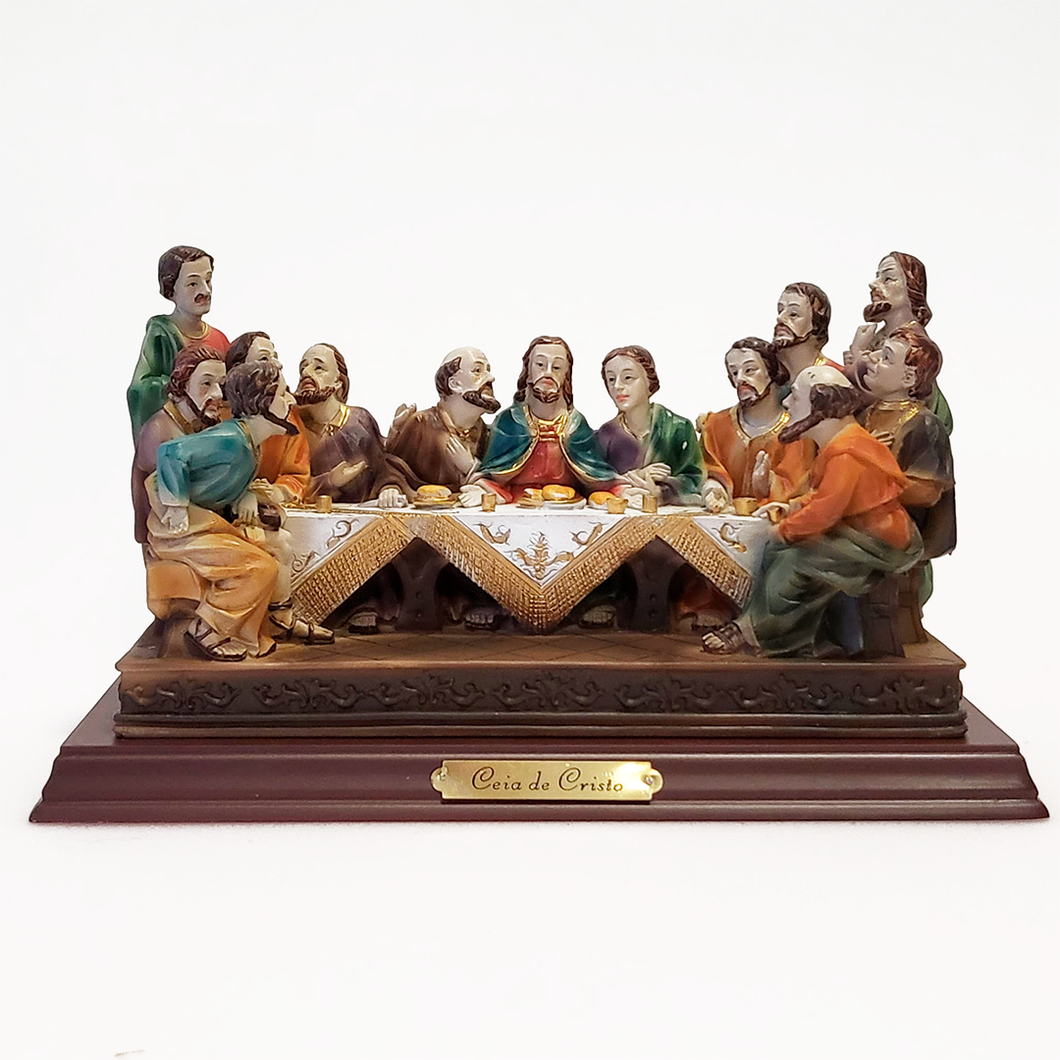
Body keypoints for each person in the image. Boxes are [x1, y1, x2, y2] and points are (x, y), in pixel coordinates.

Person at [703, 365, 922, 657]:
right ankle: (782, 633)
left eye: (795, 397)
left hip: (879, 541)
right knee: (776, 552)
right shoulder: (839, 443)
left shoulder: (847, 453)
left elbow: (825, 512)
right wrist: (792, 506)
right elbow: (826, 497)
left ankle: (760, 635)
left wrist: (783, 530)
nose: (786, 403)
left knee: (792, 563)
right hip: (856, 530)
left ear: (821, 407)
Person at [147, 361, 331, 661]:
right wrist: (177, 507)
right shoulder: (232, 441)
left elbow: (216, 479)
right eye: (282, 393)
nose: (291, 400)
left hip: (205, 520)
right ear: (261, 402)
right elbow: (171, 452)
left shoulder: (250, 443)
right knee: (259, 567)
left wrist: (244, 495)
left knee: (279, 545)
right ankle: (207, 629)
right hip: (179, 528)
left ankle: (276, 620)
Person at [855, 324, 955, 604]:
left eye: (885, 357)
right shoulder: (866, 414)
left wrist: (873, 474)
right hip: (858, 516)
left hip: (897, 530)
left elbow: (927, 492)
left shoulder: (923, 425)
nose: (872, 358)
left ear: (908, 377)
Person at [470, 335, 618, 504]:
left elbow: (598, 475)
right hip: (516, 504)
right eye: (540, 365)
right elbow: (490, 473)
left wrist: (620, 490)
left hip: (567, 505)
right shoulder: (510, 421)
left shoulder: (575, 424)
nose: (548, 372)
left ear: (566, 376)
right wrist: (483, 490)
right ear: (528, 371)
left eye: (557, 367)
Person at [697, 337, 814, 513]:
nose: (740, 379)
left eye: (749, 370)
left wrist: (769, 483)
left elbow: (798, 486)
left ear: (771, 371)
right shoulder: (715, 426)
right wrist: (713, 488)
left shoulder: (796, 431)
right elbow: (705, 469)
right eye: (734, 372)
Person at [295, 342, 419, 507]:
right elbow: (292, 482)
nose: (306, 373)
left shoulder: (358, 421)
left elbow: (381, 466)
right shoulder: (294, 427)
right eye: (302, 368)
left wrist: (389, 488)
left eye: (318, 368)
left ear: (338, 382)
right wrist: (330, 481)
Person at [127, 245, 230, 438]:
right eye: (193, 284)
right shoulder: (162, 335)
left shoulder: (219, 338)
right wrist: (184, 387)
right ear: (171, 289)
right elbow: (140, 390)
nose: (205, 290)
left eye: (208, 280)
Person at [846, 251, 953, 433]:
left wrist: (857, 354)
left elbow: (872, 393)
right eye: (877, 276)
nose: (873, 284)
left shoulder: (912, 342)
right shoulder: (879, 336)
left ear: (910, 288)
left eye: (887, 278)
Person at [132, 346, 227, 545]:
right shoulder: (159, 430)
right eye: (206, 383)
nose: (218, 393)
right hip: (174, 532)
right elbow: (161, 497)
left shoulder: (208, 424)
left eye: (221, 384)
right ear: (182, 384)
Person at [595, 345, 703, 506]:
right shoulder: (606, 434)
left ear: (648, 381)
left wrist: (661, 492)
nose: (617, 386)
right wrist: (635, 477)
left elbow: (696, 479)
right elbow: (593, 479)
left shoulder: (678, 428)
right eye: (611, 379)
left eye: (628, 377)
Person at [386, 347, 499, 492]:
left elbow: (502, 480)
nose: (491, 377)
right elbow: (392, 470)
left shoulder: (490, 435)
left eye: (488, 370)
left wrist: (470, 467)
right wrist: (391, 488)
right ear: (454, 384)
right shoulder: (421, 425)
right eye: (478, 371)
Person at [225, 331, 310, 504]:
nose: (277, 364)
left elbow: (297, 473)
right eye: (264, 358)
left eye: (275, 357)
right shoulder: (221, 417)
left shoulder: (286, 416)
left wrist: (278, 491)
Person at [772, 282, 841, 381]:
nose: (780, 318)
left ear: (816, 323)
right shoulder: (767, 375)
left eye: (793, 314)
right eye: (780, 310)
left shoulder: (834, 377)